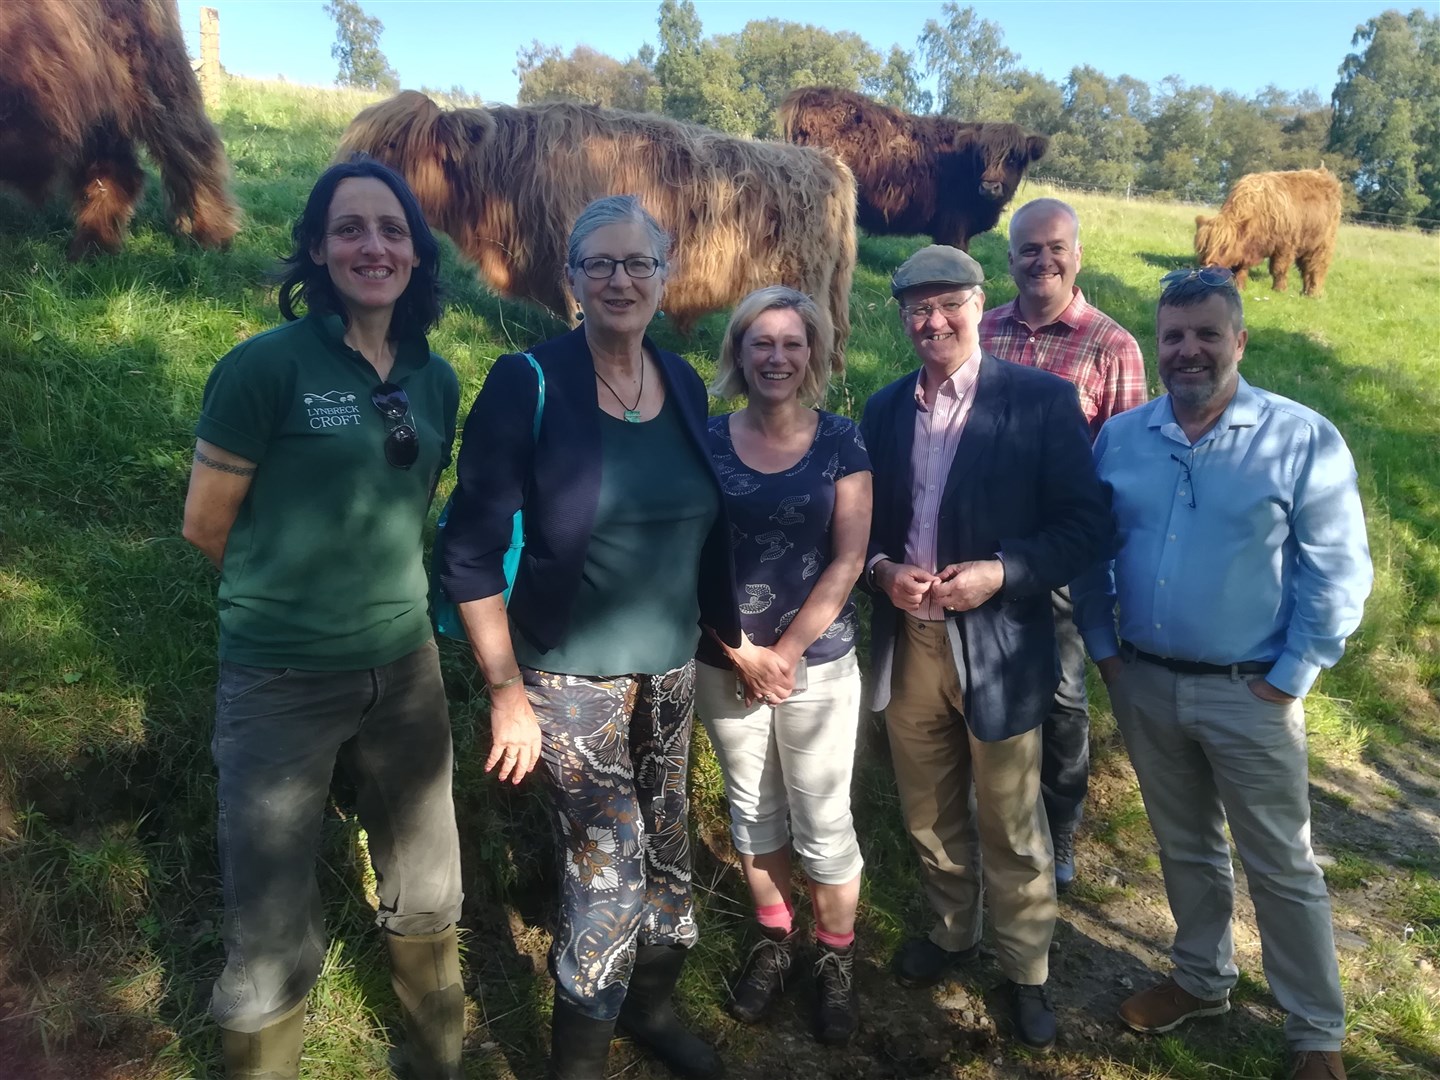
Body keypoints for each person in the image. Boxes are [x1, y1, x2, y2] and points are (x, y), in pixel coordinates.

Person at [438, 195, 739, 1080]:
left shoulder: (681, 381)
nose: (620, 280)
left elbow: (702, 523)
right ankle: (577, 1063)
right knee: (607, 874)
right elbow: (469, 551)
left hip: (671, 668)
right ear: (570, 280)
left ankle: (651, 1009)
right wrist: (506, 693)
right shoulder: (527, 381)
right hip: (567, 681)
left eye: (638, 264)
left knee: (671, 854)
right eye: (599, 264)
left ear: (664, 276)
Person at [182, 156, 464, 1080]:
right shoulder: (265, 367)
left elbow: (407, 508)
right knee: (267, 915)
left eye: (392, 230)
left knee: (429, 885)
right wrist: (296, 607)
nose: (372, 246)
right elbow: (205, 526)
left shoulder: (436, 378)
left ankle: (437, 1060)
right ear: (316, 248)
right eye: (350, 228)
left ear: (417, 255)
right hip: (280, 679)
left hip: (407, 667)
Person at [1073, 267, 1372, 1080]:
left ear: (1239, 340)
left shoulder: (1299, 437)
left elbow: (1338, 571)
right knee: (1185, 846)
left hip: (1253, 690)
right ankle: (1203, 979)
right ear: (1158, 344)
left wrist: (1293, 674)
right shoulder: (1124, 437)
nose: (1189, 350)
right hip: (1145, 679)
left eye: (1208, 334)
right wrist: (1103, 646)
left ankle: (1316, 1032)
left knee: (1281, 862)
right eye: (1174, 335)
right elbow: (1093, 551)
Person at [860, 245, 1111, 1051]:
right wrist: (881, 570)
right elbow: (864, 527)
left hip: (998, 647)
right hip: (912, 646)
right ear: (902, 317)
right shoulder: (885, 407)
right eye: (916, 309)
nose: (933, 321)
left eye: (948, 304)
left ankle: (1026, 968)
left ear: (980, 305)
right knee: (929, 808)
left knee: (1010, 817)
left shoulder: (1039, 402)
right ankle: (951, 930)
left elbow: (1087, 526)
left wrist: (1004, 572)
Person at [693, 286, 873, 1045]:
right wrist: (741, 650)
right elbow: (682, 556)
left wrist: (787, 653)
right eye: (760, 343)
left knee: (824, 823)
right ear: (738, 351)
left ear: (815, 354)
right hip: (722, 660)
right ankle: (774, 940)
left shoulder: (842, 440)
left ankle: (835, 959)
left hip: (819, 666)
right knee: (752, 810)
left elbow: (851, 555)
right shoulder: (701, 439)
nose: (776, 357)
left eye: (792, 343)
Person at [979, 197, 1148, 891]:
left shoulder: (1113, 346)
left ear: (1077, 255)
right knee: (979, 682)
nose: (1041, 260)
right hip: (982, 543)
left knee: (1063, 696)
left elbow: (1129, 465)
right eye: (1027, 249)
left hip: (1063, 554)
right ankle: (989, 818)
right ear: (1010, 258)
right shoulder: (983, 329)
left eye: (1055, 248)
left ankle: (1060, 825)